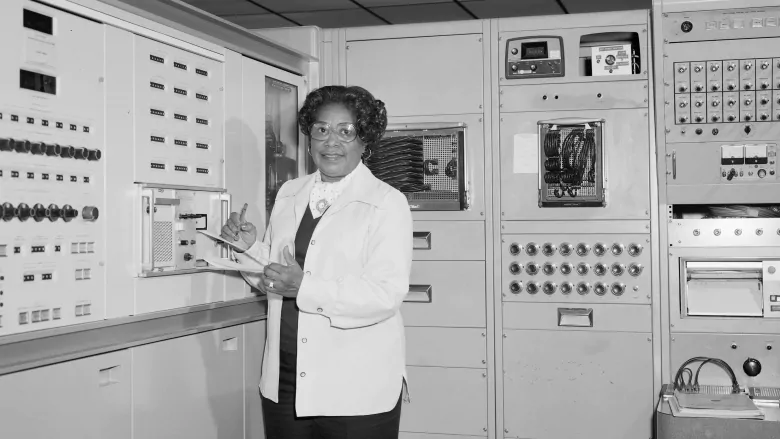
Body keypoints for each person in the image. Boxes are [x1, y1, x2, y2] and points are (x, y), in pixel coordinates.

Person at [221, 85, 413, 438]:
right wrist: (248, 248)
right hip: (286, 378)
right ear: (309, 137)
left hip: (355, 386)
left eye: (346, 131)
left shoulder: (387, 203)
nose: (331, 142)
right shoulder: (290, 192)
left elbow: (385, 294)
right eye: (321, 130)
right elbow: (276, 275)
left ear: (365, 140)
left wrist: (304, 287)